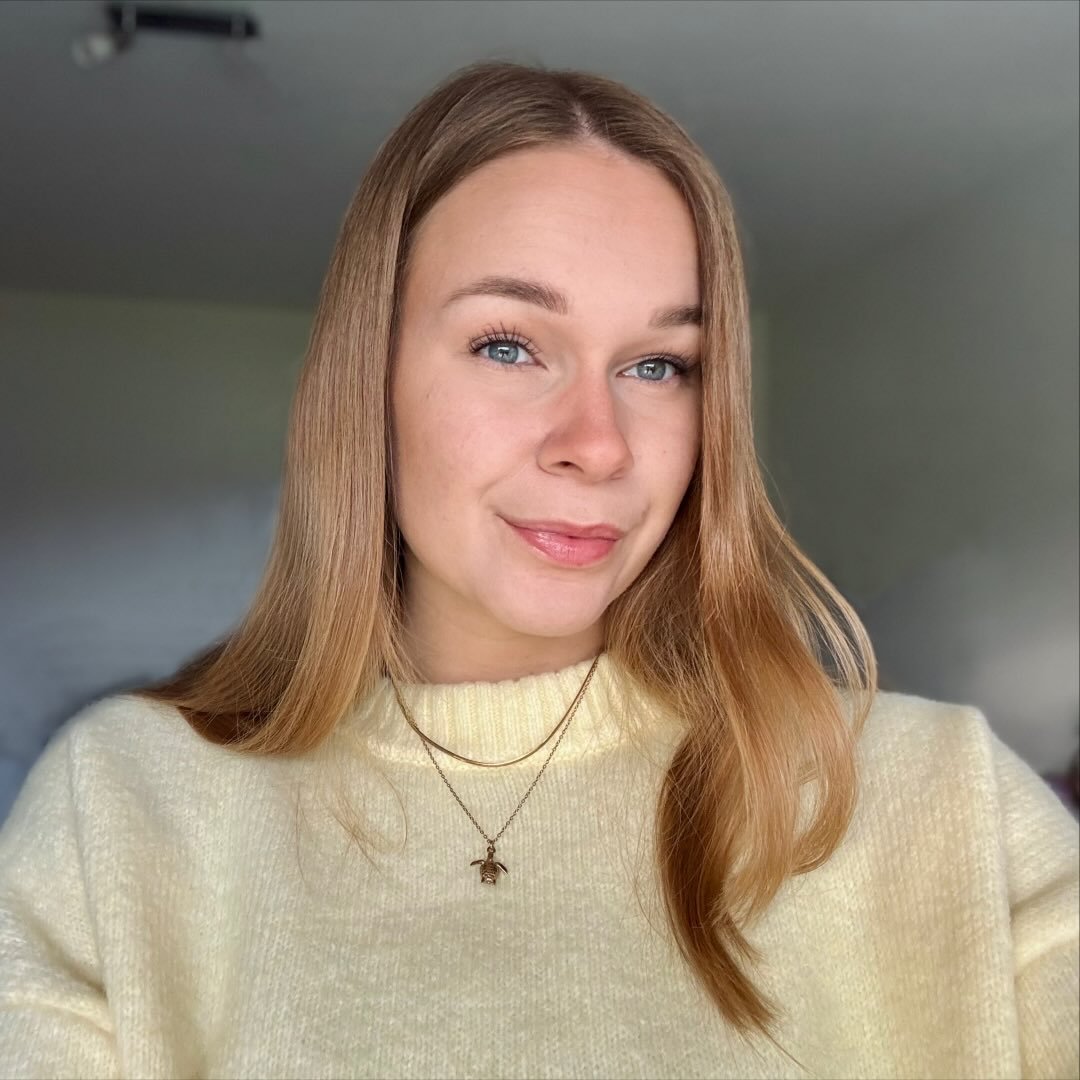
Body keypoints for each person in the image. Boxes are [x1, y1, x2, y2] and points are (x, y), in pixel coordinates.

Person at [1, 59, 1076, 1080]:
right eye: (509, 345)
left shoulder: (945, 800)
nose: (597, 445)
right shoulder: (125, 810)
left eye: (659, 365)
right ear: (367, 377)